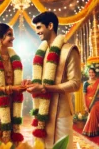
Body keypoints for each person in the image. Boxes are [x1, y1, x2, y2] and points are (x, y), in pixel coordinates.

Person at [23, 11, 81, 149]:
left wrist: (45, 88)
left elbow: (75, 83)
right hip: (42, 111)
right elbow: (42, 83)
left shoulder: (69, 50)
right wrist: (32, 84)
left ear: (50, 26)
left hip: (61, 112)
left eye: (39, 27)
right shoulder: (41, 53)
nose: (37, 32)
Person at [82, 68, 99, 136]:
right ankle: (89, 131)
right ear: (88, 73)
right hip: (89, 102)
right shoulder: (85, 83)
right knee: (92, 115)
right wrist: (85, 106)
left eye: (92, 72)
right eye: (90, 72)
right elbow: (84, 95)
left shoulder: (98, 82)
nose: (91, 74)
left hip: (97, 101)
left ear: (95, 73)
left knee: (95, 116)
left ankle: (96, 130)